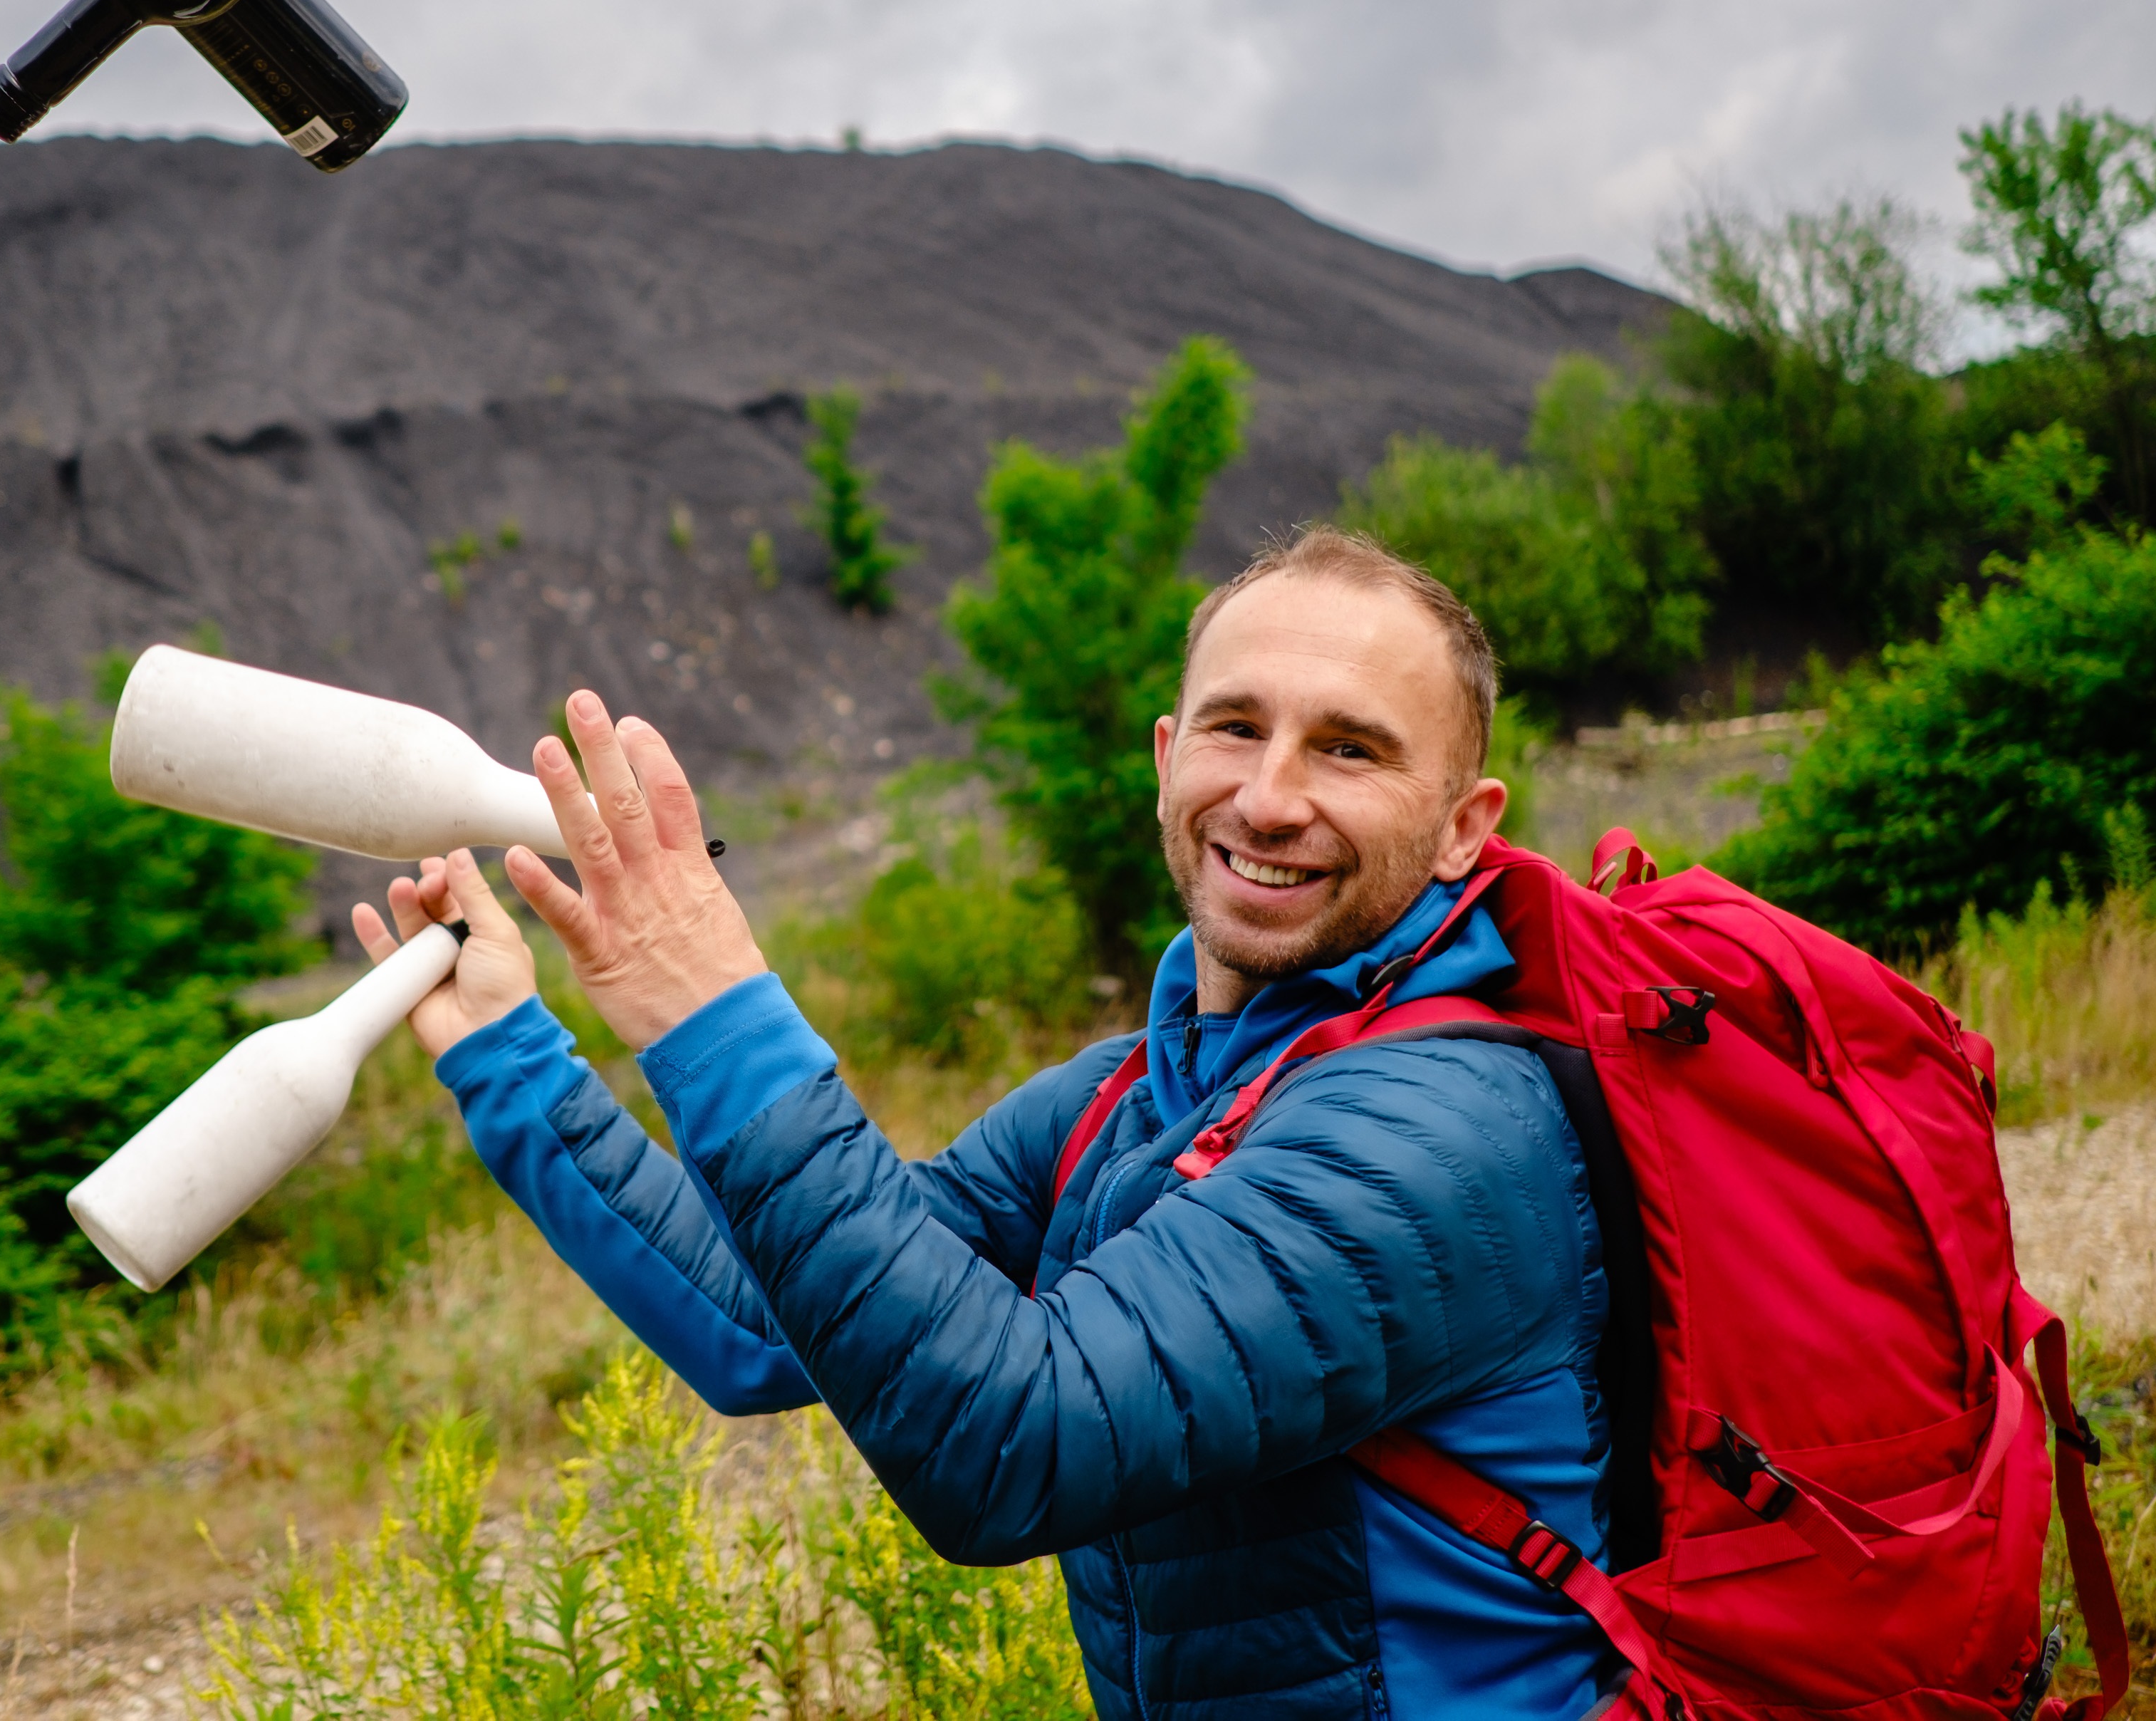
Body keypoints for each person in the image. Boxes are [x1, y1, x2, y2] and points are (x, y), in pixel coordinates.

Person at [353, 527, 1613, 1721]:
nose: (1271, 797)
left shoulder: (1440, 1134)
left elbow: (1015, 1445)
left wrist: (717, 1013)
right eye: (1238, 727)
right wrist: (513, 1058)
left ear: (1464, 829)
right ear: (1169, 756)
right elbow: (763, 1325)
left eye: (1352, 750)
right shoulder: (1136, 1091)